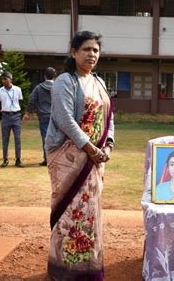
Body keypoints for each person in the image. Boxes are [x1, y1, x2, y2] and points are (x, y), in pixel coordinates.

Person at [44, 31, 114, 280]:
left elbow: (110, 117)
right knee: (69, 211)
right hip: (69, 158)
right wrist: (90, 148)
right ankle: (62, 269)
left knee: (89, 212)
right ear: (73, 52)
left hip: (93, 161)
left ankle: (87, 269)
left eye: (95, 50)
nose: (91, 54)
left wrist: (108, 145)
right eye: (86, 49)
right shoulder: (66, 81)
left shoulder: (99, 82)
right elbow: (65, 120)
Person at [22, 67, 57, 166]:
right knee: (56, 137)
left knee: (45, 137)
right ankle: (56, 158)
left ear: (44, 76)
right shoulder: (58, 87)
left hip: (43, 116)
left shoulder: (38, 88)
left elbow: (32, 101)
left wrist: (27, 113)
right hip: (56, 116)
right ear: (55, 76)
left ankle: (47, 159)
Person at [0, 71, 24, 167]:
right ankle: (5, 159)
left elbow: (20, 102)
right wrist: (3, 111)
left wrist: (15, 110)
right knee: (5, 139)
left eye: (6, 79)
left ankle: (18, 159)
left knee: (17, 138)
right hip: (5, 116)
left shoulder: (18, 89)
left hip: (16, 116)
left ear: (10, 79)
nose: (4, 81)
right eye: (2, 79)